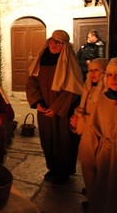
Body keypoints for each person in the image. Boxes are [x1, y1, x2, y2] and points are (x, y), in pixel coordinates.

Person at [26, 29, 84, 186]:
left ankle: (64, 171)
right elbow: (32, 83)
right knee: (47, 139)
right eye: (52, 40)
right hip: (44, 108)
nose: (54, 44)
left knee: (63, 141)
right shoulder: (42, 59)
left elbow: (74, 89)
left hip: (62, 111)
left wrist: (57, 108)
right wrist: (37, 102)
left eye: (58, 42)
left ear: (64, 45)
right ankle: (53, 168)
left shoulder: (69, 62)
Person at [69, 58, 109, 209]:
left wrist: (82, 120)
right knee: (88, 167)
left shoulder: (106, 92)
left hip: (98, 137)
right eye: (90, 70)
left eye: (96, 70)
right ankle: (92, 195)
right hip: (86, 134)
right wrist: (76, 116)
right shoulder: (89, 87)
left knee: (99, 170)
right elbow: (83, 107)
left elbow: (101, 117)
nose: (92, 73)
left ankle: (96, 201)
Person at [80, 57, 117, 213]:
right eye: (110, 75)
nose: (113, 78)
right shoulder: (104, 98)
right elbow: (94, 125)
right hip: (105, 152)